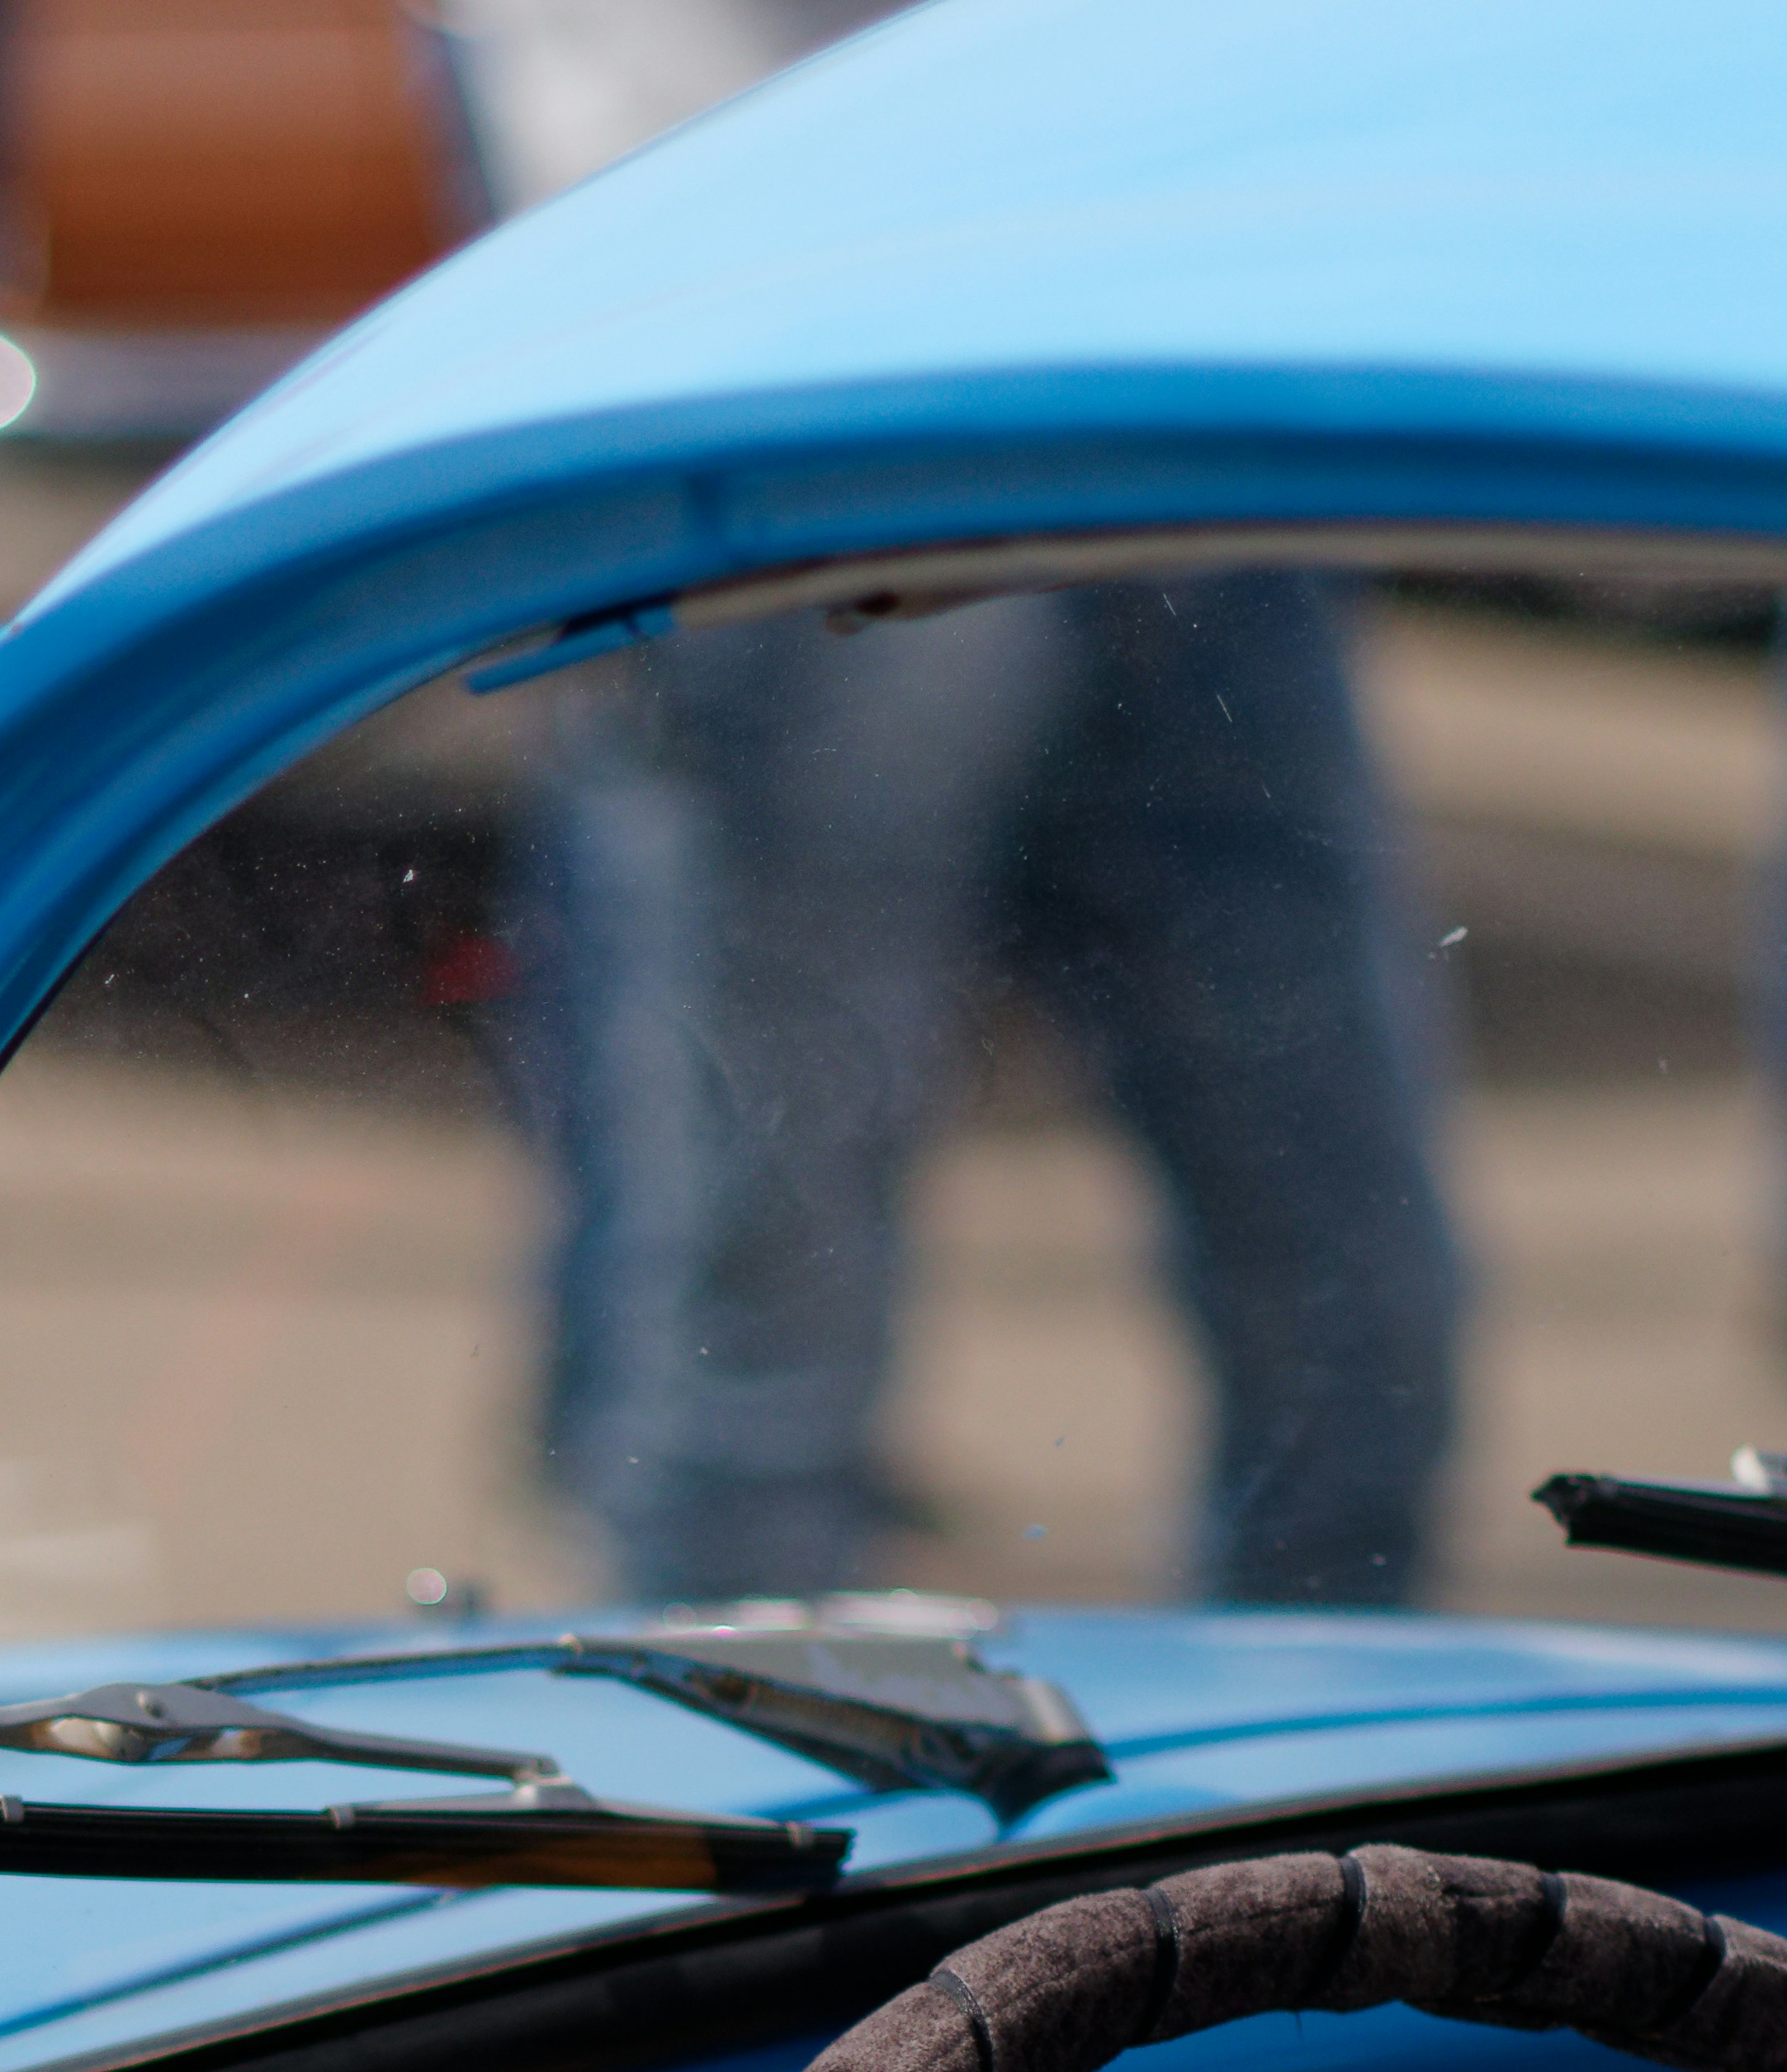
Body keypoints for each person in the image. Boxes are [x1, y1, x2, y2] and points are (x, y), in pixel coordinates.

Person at [444, 0, 1462, 1606]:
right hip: (800, 350)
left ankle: (1354, 1796)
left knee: (1341, 1242)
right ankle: (737, 1791)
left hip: (1169, 337)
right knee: (767, 1283)